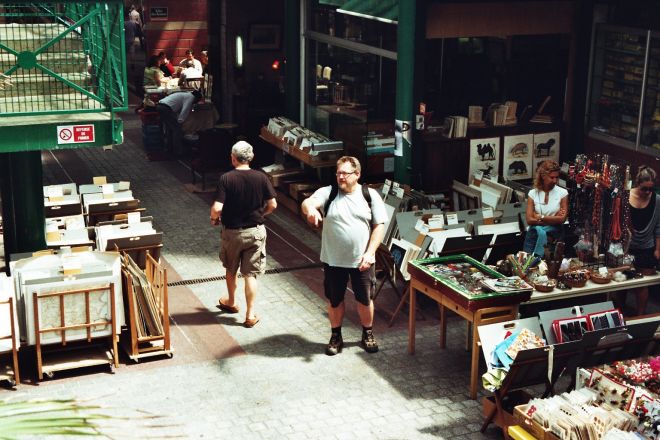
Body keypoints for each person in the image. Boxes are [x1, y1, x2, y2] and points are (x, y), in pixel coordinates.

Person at [301, 156, 387, 355]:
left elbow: (379, 226)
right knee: (334, 300)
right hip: (333, 259)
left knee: (365, 300)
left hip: (362, 261)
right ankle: (335, 335)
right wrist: (311, 211)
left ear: (357, 175)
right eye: (338, 173)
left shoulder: (370, 195)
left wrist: (370, 253)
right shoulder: (328, 192)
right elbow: (308, 202)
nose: (340, 177)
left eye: (345, 173)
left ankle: (367, 333)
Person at [210, 141, 277, 328]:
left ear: (233, 158)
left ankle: (231, 301)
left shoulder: (226, 178)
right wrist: (262, 214)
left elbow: (217, 208)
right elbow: (273, 205)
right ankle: (250, 314)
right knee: (250, 274)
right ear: (251, 157)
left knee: (231, 269)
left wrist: (214, 218)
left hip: (232, 232)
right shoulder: (261, 177)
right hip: (255, 231)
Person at [618, 166, 660, 315]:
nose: (647, 192)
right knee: (621, 282)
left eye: (651, 189)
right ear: (637, 184)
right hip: (626, 246)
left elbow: (658, 227)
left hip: (646, 247)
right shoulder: (626, 196)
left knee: (642, 285)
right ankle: (619, 313)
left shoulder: (657, 200)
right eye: (644, 189)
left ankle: (640, 317)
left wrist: (657, 249)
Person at [523, 160, 568, 258]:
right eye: (552, 177)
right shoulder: (533, 193)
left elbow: (562, 219)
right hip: (534, 235)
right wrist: (553, 219)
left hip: (554, 236)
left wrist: (540, 217)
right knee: (527, 264)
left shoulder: (562, 193)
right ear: (543, 176)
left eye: (557, 177)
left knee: (549, 266)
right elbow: (529, 220)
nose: (555, 181)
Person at [155, 90, 203, 155]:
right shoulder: (190, 97)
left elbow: (178, 110)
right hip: (165, 108)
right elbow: (185, 110)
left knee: (169, 129)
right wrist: (180, 121)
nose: (195, 102)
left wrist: (178, 120)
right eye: (197, 101)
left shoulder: (185, 95)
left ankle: (169, 148)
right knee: (177, 130)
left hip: (160, 106)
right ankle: (177, 151)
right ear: (196, 98)